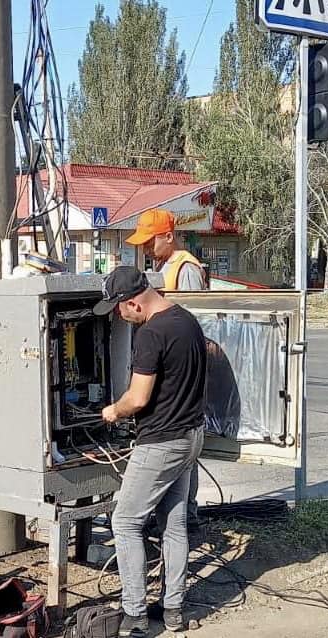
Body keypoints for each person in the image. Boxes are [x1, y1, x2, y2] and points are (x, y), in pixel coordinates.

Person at [93, 266, 207, 638]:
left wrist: (113, 410)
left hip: (161, 443)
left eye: (118, 309)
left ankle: (135, 612)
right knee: (173, 524)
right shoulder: (186, 320)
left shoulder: (151, 333)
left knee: (125, 522)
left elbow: (139, 398)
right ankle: (173, 608)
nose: (118, 316)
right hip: (191, 437)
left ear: (134, 304)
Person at [125, 208, 207, 530]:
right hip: (163, 364)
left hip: (177, 366)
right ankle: (173, 518)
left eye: (150, 241)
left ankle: (188, 512)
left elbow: (193, 321)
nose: (145, 248)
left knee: (181, 447)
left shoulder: (185, 268)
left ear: (169, 237)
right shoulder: (162, 267)